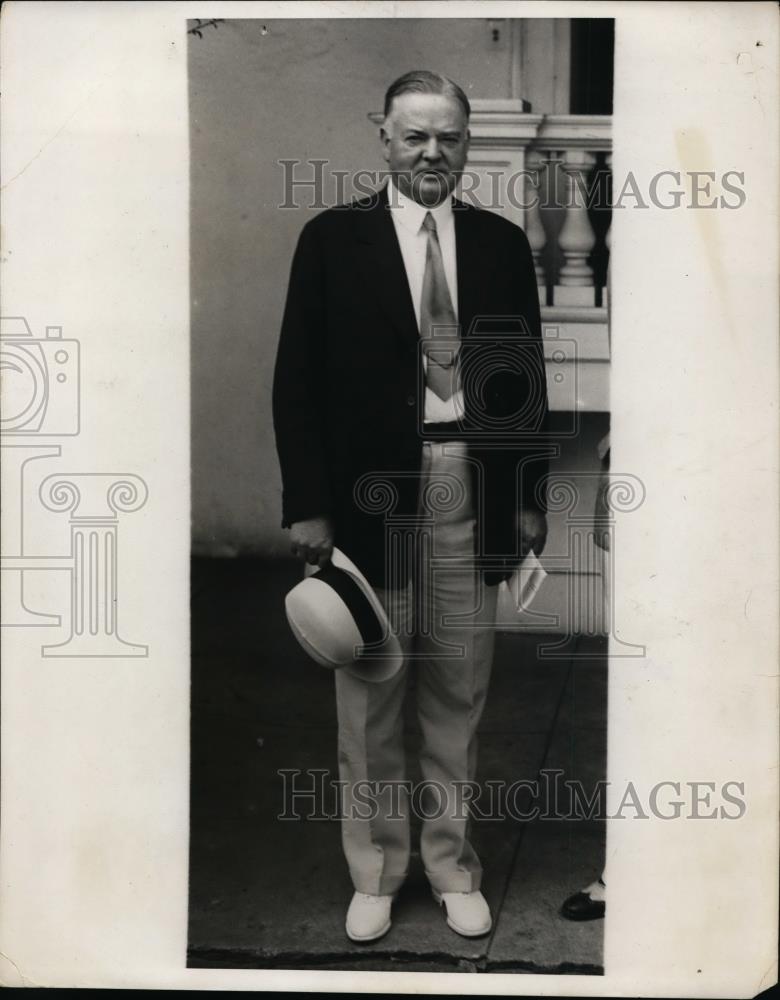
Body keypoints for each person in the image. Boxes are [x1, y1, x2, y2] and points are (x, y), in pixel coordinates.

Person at [273, 70, 549, 943]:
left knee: (456, 693)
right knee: (371, 690)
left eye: (450, 137)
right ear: (382, 137)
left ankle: (451, 866)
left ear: (468, 144)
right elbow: (298, 385)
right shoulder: (332, 241)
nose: (434, 153)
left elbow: (523, 384)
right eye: (416, 136)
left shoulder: (502, 245)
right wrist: (310, 505)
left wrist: (527, 500)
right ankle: (377, 872)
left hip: (467, 481)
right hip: (365, 498)